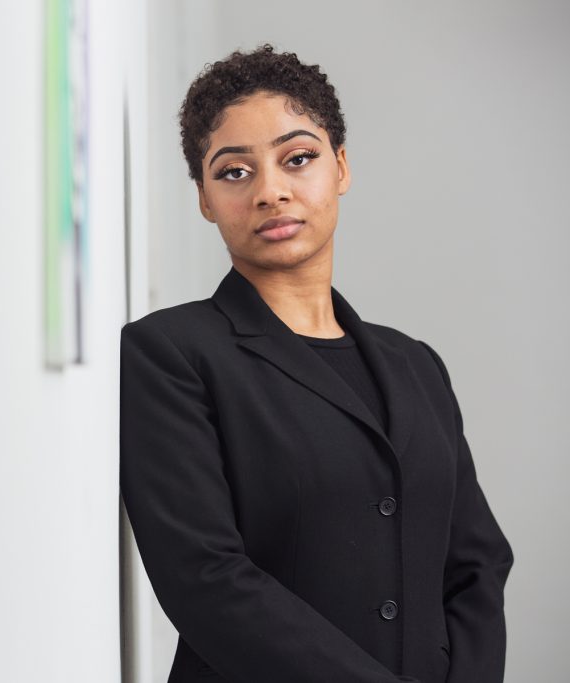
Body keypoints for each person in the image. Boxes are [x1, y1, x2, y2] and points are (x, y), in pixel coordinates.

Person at [119, 44, 513, 683]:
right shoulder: (171, 354)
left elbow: (475, 564)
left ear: (341, 168)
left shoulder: (415, 365)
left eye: (297, 159)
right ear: (205, 198)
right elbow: (205, 579)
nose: (271, 191)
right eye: (235, 172)